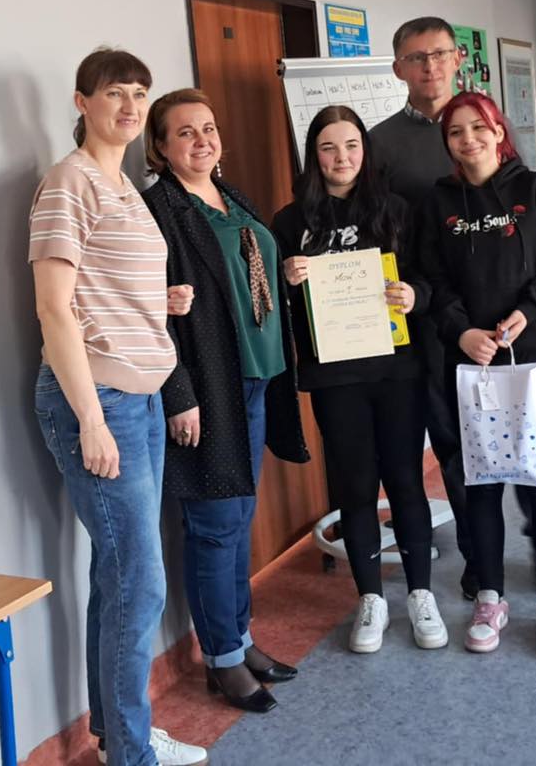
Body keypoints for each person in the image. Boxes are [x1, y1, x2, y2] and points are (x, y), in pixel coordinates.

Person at [28, 49, 207, 766]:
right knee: (141, 582)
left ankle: (117, 737)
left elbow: (99, 288)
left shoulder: (123, 184)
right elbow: (53, 307)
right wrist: (92, 420)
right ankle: (132, 754)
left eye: (139, 93)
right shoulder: (69, 183)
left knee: (121, 575)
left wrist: (159, 303)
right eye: (114, 94)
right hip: (98, 401)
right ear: (82, 102)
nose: (130, 107)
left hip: (140, 395)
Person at [142, 89, 309, 713]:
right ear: (160, 147)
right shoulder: (159, 210)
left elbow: (245, 274)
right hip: (208, 390)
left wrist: (283, 274)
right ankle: (222, 661)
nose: (201, 140)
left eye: (208, 128)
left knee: (239, 522)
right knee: (213, 528)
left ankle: (239, 640)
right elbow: (151, 314)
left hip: (257, 381)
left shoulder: (231, 197)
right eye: (185, 132)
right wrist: (178, 395)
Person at [271, 105, 447, 654]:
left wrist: (414, 295)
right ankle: (370, 597)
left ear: (365, 151)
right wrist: (286, 278)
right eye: (328, 147)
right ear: (313, 156)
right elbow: (271, 304)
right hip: (334, 376)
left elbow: (430, 281)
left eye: (350, 145)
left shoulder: (395, 210)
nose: (341, 157)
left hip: (397, 369)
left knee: (405, 479)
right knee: (354, 484)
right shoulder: (289, 222)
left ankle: (419, 592)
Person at [417, 89, 536, 659]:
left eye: (478, 127)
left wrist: (528, 312)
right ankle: (490, 596)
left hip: (535, 358)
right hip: (472, 364)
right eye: (455, 132)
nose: (468, 139)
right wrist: (461, 331)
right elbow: (432, 281)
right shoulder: (439, 202)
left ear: (498, 131)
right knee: (480, 482)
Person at [369, 15, 483, 598]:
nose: (430, 66)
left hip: (487, 314)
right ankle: (477, 560)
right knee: (450, 443)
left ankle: (522, 543)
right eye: (416, 58)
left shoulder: (483, 127)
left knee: (505, 439)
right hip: (419, 316)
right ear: (399, 69)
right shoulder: (380, 143)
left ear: (457, 58)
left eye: (439, 54)